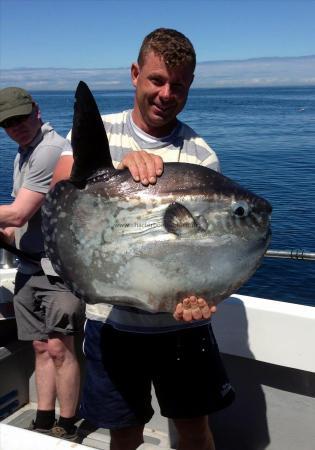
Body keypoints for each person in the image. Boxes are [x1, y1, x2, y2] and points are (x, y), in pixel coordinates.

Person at [52, 28, 235, 450]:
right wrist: (118, 170)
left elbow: (210, 247)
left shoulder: (200, 154)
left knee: (193, 429)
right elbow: (61, 189)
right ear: (135, 74)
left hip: (182, 329)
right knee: (124, 432)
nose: (167, 93)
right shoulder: (103, 129)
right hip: (111, 324)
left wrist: (206, 294)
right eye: (157, 80)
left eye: (179, 85)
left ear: (190, 86)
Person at [0, 87, 85, 442]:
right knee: (39, 346)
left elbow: (18, 214)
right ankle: (43, 417)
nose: (16, 127)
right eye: (7, 124)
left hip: (58, 271)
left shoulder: (49, 150)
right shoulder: (24, 154)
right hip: (30, 267)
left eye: (21, 118)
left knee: (59, 349)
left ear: (36, 110)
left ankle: (66, 424)